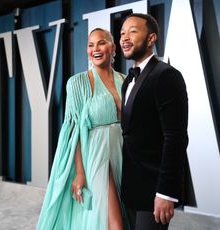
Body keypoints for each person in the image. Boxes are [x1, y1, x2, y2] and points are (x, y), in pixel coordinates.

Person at [36, 28, 129, 230]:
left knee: (123, 214)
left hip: (124, 153)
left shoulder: (126, 80)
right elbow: (73, 132)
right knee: (115, 224)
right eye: (90, 44)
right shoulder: (77, 83)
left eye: (101, 43)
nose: (95, 49)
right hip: (96, 155)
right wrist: (79, 172)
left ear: (113, 48)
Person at [120, 13, 188, 230]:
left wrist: (166, 192)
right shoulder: (128, 81)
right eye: (122, 33)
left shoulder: (167, 76)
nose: (124, 38)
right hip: (131, 188)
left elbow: (175, 138)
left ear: (151, 39)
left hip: (155, 189)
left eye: (133, 31)